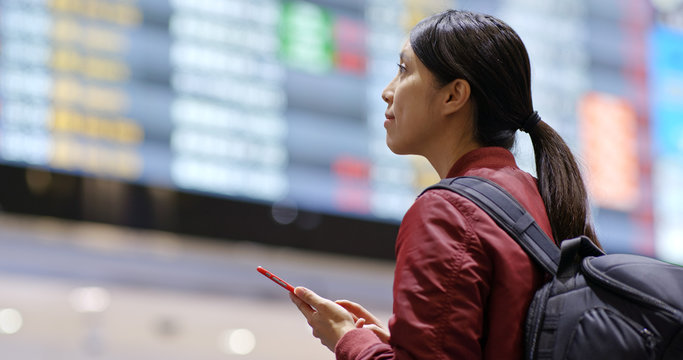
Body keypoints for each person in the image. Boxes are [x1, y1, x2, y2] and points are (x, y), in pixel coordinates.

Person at [290, 9, 602, 360]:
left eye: (404, 70)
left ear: (454, 96)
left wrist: (347, 339)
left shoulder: (446, 212)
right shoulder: (540, 197)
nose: (386, 91)